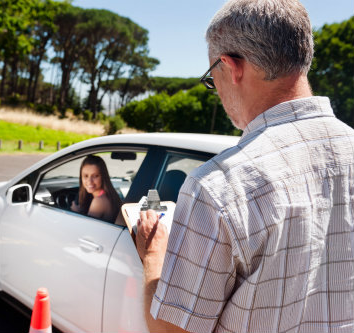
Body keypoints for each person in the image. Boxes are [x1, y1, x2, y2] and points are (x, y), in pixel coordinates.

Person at [136, 1, 354, 332]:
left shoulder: (219, 186)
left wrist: (153, 256)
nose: (217, 90)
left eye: (212, 77)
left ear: (231, 66)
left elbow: (171, 330)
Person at [71, 155, 122, 223]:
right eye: (86, 176)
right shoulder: (109, 195)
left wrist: (75, 213)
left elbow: (86, 228)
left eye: (95, 176)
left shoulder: (99, 201)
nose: (89, 181)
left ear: (103, 177)